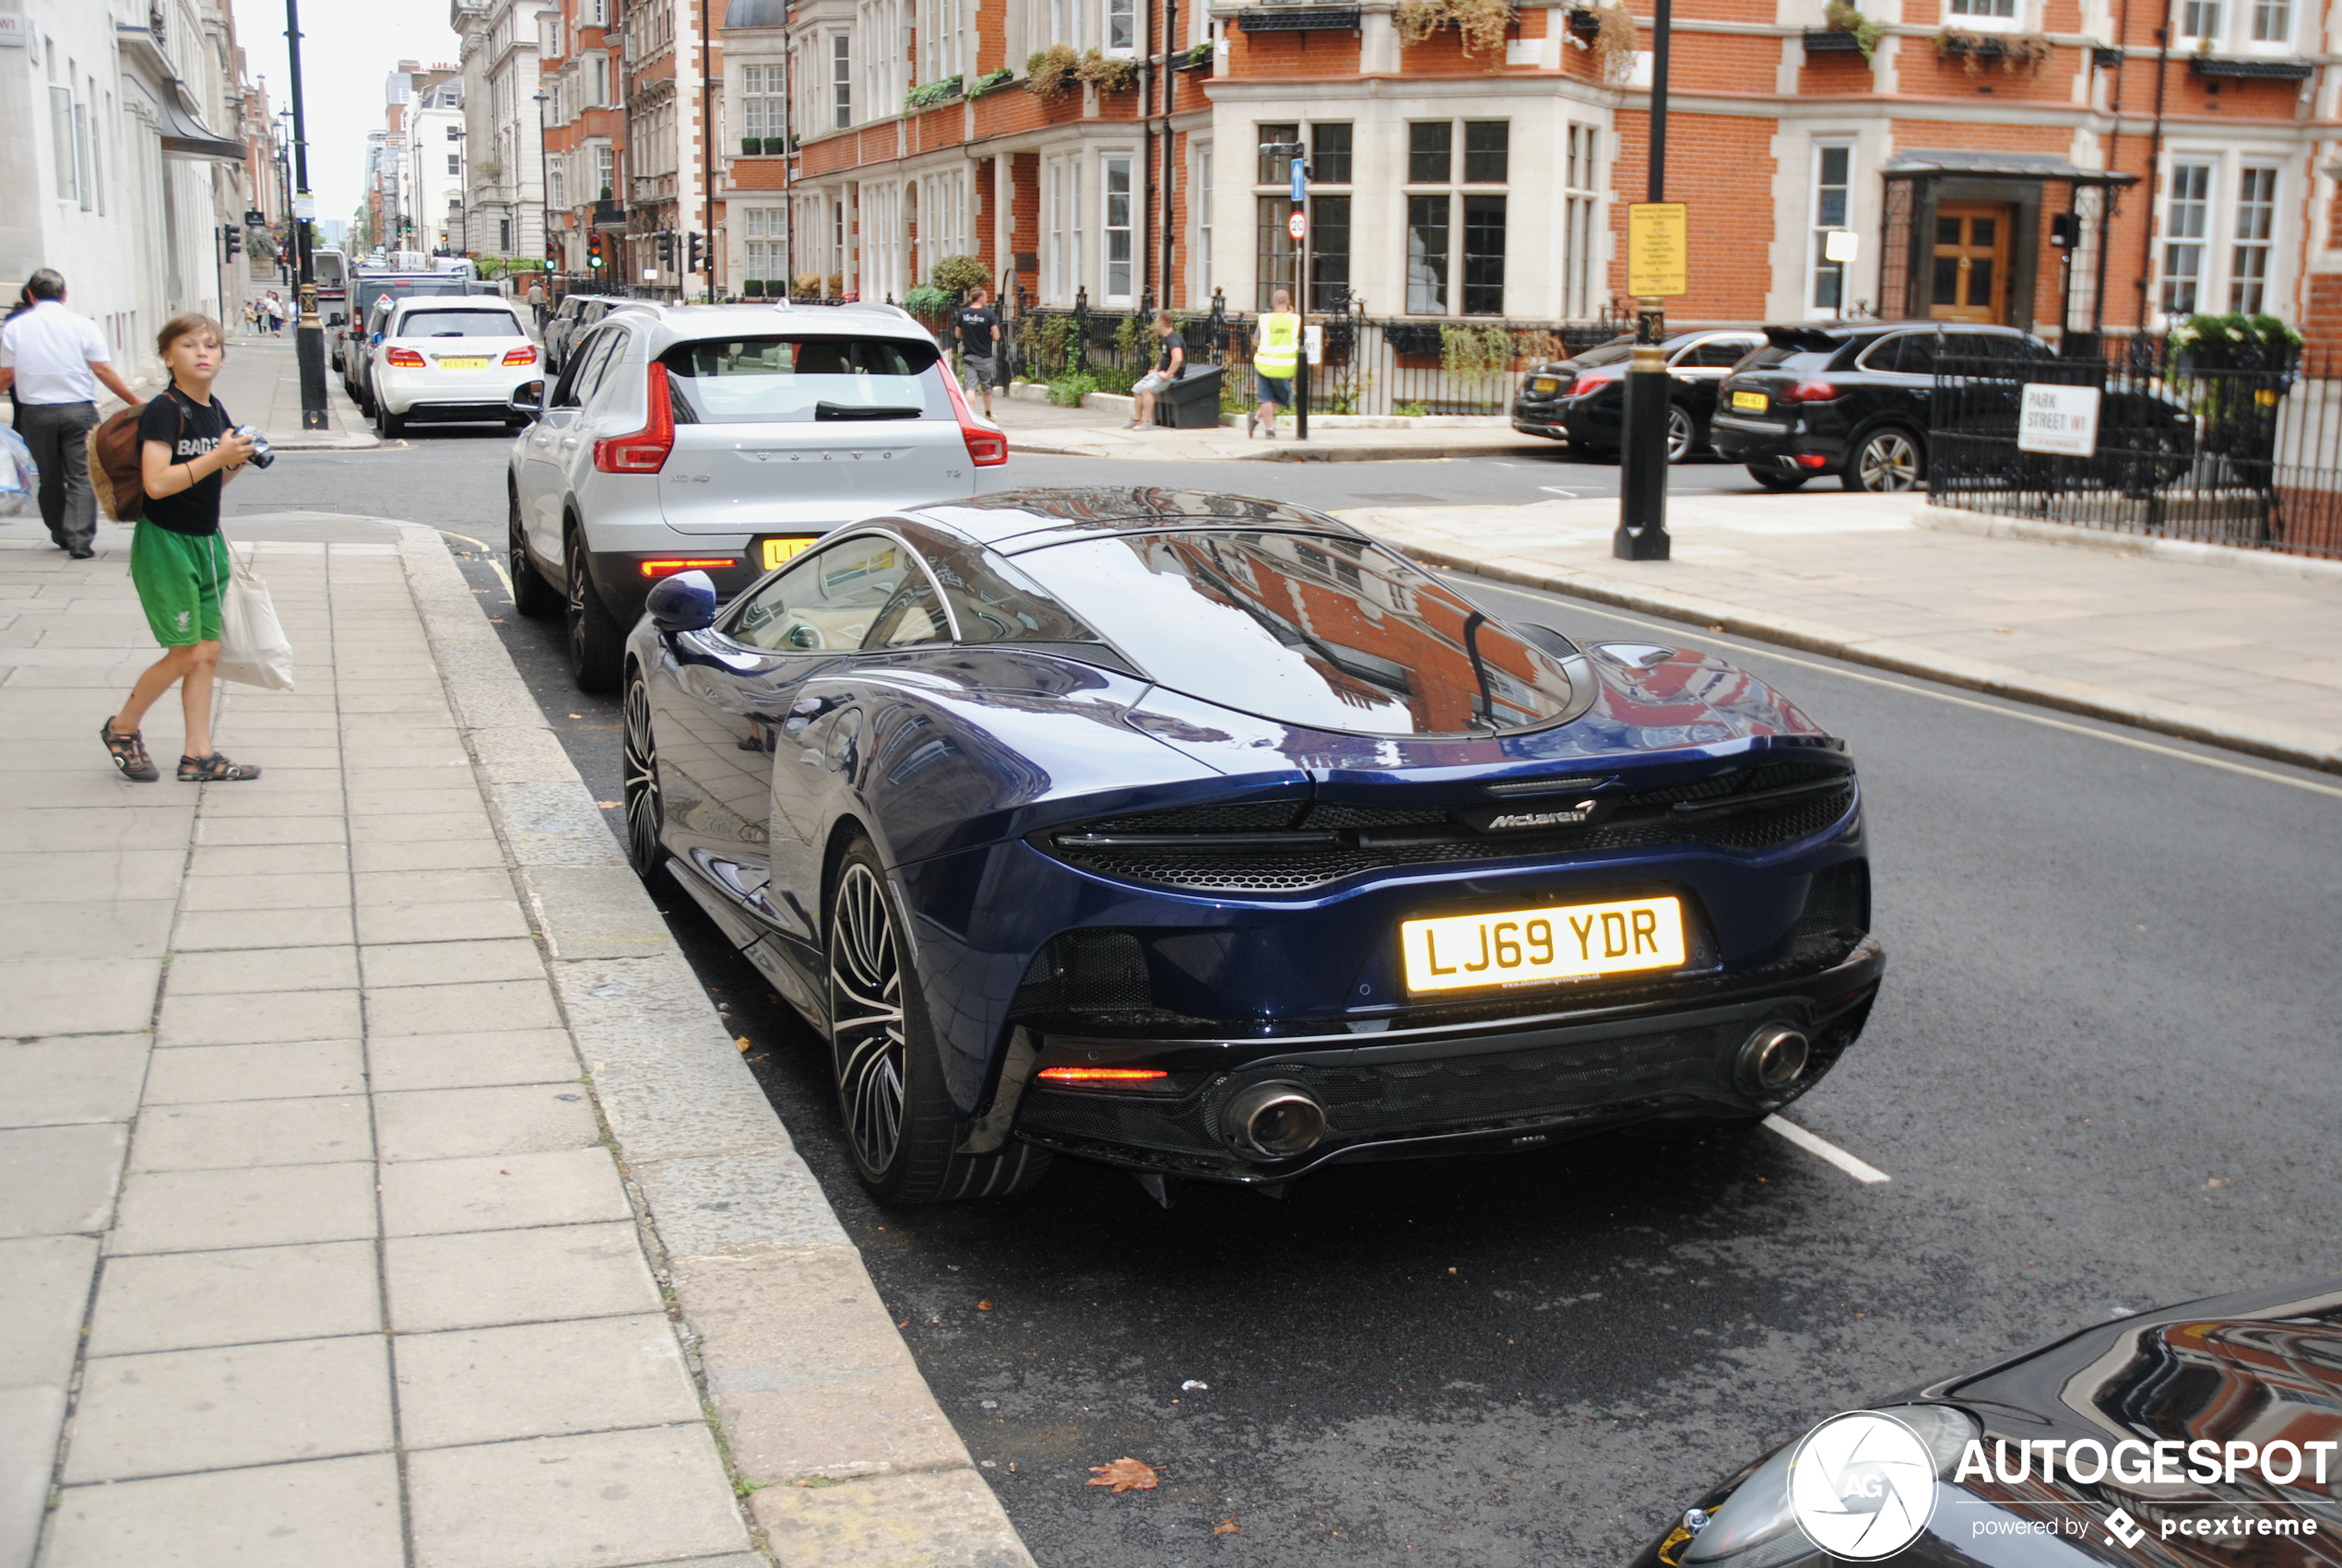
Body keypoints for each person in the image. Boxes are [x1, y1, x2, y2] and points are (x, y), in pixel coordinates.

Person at [99, 314, 261, 785]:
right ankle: (121, 728)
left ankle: (199, 755)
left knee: (207, 652)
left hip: (205, 541)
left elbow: (215, 476)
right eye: (190, 345)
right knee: (186, 652)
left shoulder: (214, 409)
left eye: (212, 346)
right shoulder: (165, 410)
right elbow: (155, 482)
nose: (203, 353)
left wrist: (238, 460)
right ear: (168, 357)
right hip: (166, 543)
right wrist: (215, 457)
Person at [0, 269, 148, 558]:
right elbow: (102, 369)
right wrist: (132, 400)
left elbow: (6, 374)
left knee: (50, 476)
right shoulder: (83, 325)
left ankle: (61, 532)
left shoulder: (16, 327)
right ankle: (80, 540)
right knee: (82, 474)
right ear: (65, 294)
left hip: (36, 414)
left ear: (30, 295)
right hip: (79, 411)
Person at [1251, 289, 1300, 440]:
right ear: (1288, 302)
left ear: (1273, 302)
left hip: (1264, 364)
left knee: (1265, 397)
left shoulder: (1265, 319)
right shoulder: (1295, 319)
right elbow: (1300, 339)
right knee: (1284, 398)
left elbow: (1255, 341)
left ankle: (1269, 429)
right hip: (1285, 365)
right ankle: (1257, 418)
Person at [952, 285, 1004, 419]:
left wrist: (968, 334)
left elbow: (957, 334)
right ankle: (988, 413)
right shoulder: (988, 314)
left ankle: (971, 414)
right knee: (987, 387)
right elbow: (997, 336)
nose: (986, 299)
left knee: (970, 387)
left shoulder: (963, 314)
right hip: (985, 356)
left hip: (969, 356)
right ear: (980, 298)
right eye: (985, 297)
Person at [1129, 311, 1186, 430]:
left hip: (1172, 375)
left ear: (1161, 322)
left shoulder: (1173, 338)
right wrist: (1155, 369)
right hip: (1160, 372)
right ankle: (1137, 418)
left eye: (1156, 321)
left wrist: (1168, 375)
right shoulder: (1165, 338)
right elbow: (1164, 356)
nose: (1155, 324)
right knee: (1137, 388)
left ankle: (1147, 420)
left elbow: (1178, 359)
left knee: (1146, 389)